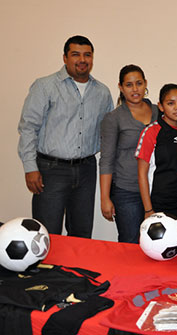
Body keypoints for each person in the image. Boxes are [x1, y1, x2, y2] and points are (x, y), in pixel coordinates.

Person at [17, 35, 113, 237]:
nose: (82, 60)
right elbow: (28, 128)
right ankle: (46, 269)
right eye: (75, 54)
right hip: (51, 171)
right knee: (47, 233)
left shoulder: (102, 93)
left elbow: (107, 134)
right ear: (65, 57)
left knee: (82, 233)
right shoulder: (45, 86)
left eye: (87, 55)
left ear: (92, 58)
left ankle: (75, 270)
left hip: (86, 170)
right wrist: (30, 167)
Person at [100, 65, 158, 243]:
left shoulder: (159, 111)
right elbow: (106, 161)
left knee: (158, 243)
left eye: (139, 83)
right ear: (120, 87)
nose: (135, 89)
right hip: (127, 192)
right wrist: (104, 198)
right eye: (129, 85)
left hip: (156, 190)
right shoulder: (113, 118)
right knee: (130, 242)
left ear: (146, 83)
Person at [136, 84, 177, 223]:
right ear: (161, 106)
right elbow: (142, 174)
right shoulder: (151, 132)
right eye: (171, 103)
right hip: (158, 204)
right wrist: (148, 210)